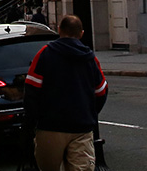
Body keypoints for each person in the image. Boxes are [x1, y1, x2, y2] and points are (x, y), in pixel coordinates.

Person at [24, 14, 108, 171]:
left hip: (50, 127)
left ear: (59, 30)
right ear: (81, 33)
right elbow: (101, 91)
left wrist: (33, 121)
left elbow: (31, 91)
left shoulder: (45, 54)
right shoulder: (90, 58)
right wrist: (90, 112)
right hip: (81, 128)